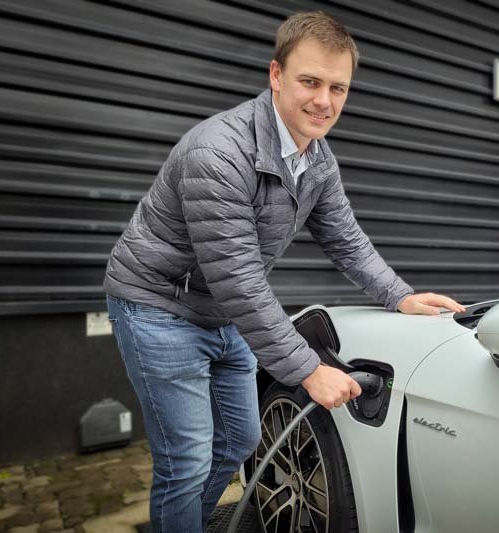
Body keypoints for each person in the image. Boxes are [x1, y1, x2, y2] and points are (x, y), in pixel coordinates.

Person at [103, 10, 464, 532]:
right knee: (187, 458)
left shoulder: (317, 159)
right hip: (158, 307)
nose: (324, 101)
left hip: (223, 312)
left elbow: (345, 239)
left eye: (338, 88)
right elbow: (237, 277)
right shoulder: (218, 153)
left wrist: (400, 295)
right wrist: (307, 369)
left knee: (239, 440)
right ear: (276, 75)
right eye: (310, 82)